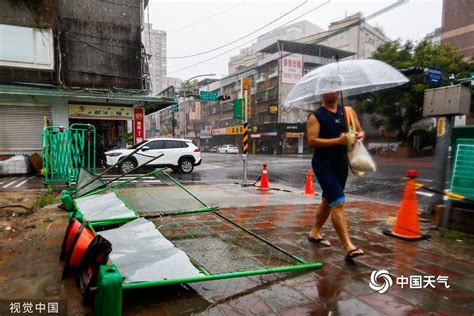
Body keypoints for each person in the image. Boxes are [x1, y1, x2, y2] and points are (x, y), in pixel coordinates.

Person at [306, 75, 365, 260]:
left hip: (342, 163)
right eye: (328, 88)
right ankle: (348, 246)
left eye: (335, 87)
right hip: (323, 165)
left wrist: (359, 136)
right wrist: (338, 140)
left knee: (328, 200)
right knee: (338, 202)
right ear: (322, 92)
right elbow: (312, 141)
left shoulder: (348, 111)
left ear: (339, 90)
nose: (332, 91)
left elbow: (360, 130)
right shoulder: (316, 116)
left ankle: (315, 232)